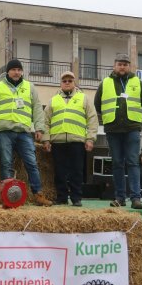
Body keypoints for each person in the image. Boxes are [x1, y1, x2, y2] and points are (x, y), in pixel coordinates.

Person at [0, 59, 52, 206]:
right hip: (4, 132)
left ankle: (38, 194)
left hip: (24, 133)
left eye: (19, 70)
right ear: (7, 72)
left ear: (22, 72)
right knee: (6, 163)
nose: (16, 72)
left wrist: (39, 128)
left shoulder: (30, 87)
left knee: (32, 163)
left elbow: (37, 109)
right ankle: (7, 197)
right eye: (13, 69)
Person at [95, 53, 142, 209]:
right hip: (113, 129)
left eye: (125, 64)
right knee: (117, 163)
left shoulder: (137, 82)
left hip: (132, 128)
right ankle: (119, 198)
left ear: (129, 66)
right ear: (114, 66)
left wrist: (134, 116)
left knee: (132, 163)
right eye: (120, 63)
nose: (122, 66)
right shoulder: (105, 83)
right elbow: (98, 104)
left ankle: (135, 199)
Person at [43, 71, 98, 206]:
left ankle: (76, 198)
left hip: (77, 141)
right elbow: (45, 121)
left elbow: (92, 119)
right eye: (64, 81)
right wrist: (46, 139)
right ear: (61, 83)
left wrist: (90, 138)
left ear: (74, 83)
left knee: (77, 171)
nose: (67, 83)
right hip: (58, 141)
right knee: (59, 172)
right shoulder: (53, 100)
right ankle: (61, 197)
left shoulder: (84, 98)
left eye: (70, 81)